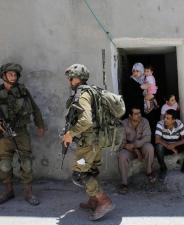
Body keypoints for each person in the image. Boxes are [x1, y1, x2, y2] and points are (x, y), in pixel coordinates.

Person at [62, 64, 114, 221]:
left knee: (81, 174)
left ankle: (104, 201)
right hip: (96, 141)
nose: (69, 81)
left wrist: (70, 134)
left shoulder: (83, 94)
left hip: (88, 143)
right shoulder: (93, 91)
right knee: (91, 170)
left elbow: (86, 121)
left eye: (71, 78)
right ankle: (93, 201)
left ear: (78, 78)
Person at [0, 63, 45, 205]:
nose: (13, 77)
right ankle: (8, 191)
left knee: (26, 163)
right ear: (3, 76)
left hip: (21, 132)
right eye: (10, 74)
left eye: (15, 75)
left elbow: (35, 108)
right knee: (4, 164)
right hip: (3, 136)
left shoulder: (23, 91)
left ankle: (28, 192)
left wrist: (40, 125)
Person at [118, 106, 156, 194]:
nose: (139, 115)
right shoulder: (123, 124)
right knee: (122, 155)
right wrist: (135, 150)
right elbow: (121, 142)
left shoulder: (144, 121)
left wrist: (135, 145)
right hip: (129, 149)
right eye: (136, 114)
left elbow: (147, 138)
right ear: (130, 116)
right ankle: (124, 183)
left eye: (139, 113)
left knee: (149, 147)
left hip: (142, 146)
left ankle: (149, 172)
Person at [155, 109, 184, 180]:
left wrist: (174, 145)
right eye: (165, 117)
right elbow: (157, 139)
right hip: (165, 148)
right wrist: (169, 146)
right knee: (158, 146)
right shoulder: (160, 124)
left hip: (176, 147)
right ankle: (163, 169)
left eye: (168, 118)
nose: (165, 120)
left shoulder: (179, 123)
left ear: (173, 120)